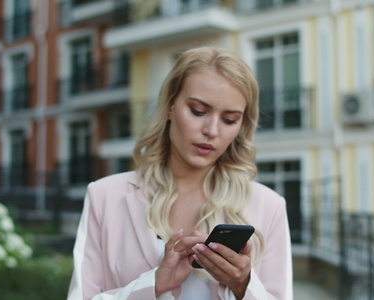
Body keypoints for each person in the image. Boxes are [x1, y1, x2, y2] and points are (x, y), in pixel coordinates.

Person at [67, 46, 293, 300]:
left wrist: (243, 286)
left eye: (229, 119)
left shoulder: (269, 206)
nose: (211, 130)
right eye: (198, 111)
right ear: (171, 106)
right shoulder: (104, 196)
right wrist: (153, 284)